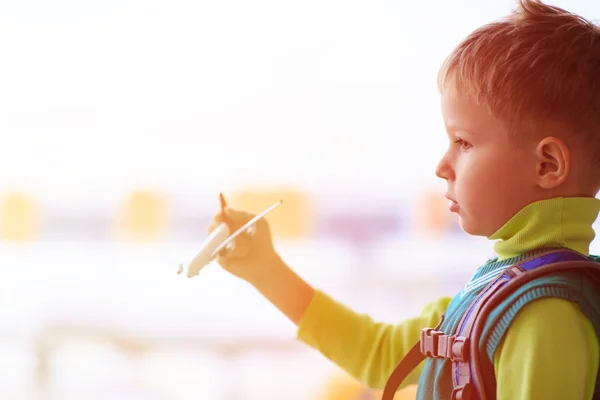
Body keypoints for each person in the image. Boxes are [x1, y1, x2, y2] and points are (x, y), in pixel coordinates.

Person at [206, 1, 600, 398]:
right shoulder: (498, 292)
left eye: (464, 142)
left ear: (547, 165)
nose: (442, 165)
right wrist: (265, 269)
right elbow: (379, 354)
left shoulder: (545, 314)